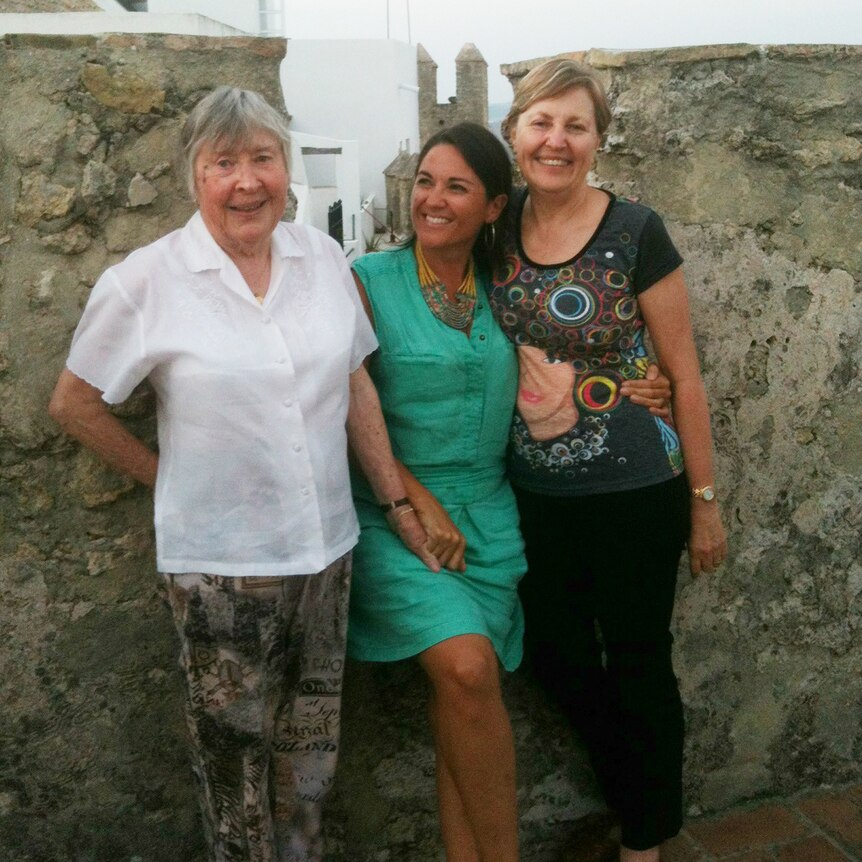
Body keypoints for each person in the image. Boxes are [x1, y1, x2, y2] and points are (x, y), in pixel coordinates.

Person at [48, 86, 434, 862]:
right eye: (224, 162)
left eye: (263, 157)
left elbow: (355, 381)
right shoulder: (146, 281)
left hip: (326, 552)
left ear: (286, 168)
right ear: (194, 174)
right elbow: (75, 404)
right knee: (233, 775)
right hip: (221, 573)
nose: (246, 180)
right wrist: (171, 479)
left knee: (311, 763)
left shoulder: (322, 258)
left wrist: (394, 500)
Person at [346, 123, 672, 862]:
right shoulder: (367, 281)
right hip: (395, 514)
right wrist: (413, 499)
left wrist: (646, 384)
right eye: (425, 180)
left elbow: (582, 349)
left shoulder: (510, 290)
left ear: (495, 206)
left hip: (492, 517)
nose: (432, 198)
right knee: (465, 667)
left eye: (456, 186)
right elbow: (339, 408)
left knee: (461, 697)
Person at [489, 59, 728, 862]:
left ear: (597, 139)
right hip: (534, 495)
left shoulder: (636, 230)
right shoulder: (495, 226)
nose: (557, 141)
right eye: (542, 123)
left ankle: (646, 840)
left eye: (576, 126)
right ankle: (638, 791)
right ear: (515, 131)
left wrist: (704, 499)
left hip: (636, 491)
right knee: (551, 653)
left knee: (637, 662)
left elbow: (683, 374)